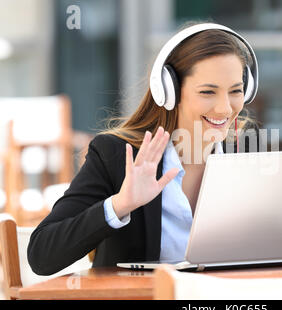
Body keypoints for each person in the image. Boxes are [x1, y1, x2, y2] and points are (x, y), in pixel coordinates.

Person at [27, 22, 260, 275]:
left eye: (235, 91)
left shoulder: (245, 156)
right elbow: (41, 255)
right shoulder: (116, 155)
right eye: (207, 92)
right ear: (169, 90)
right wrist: (119, 205)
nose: (225, 108)